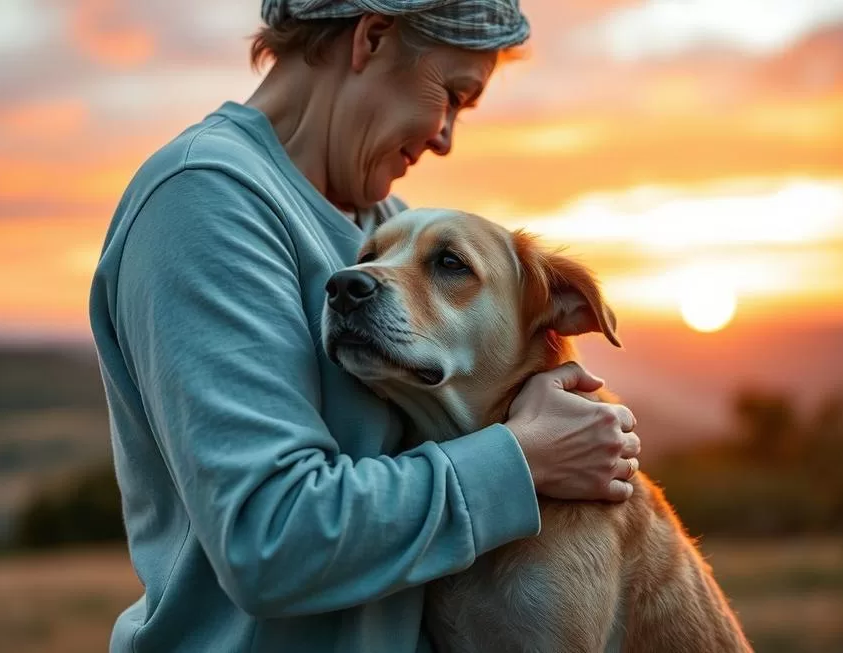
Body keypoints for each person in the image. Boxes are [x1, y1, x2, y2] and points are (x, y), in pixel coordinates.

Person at [88, 2, 641, 652]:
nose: (445, 137)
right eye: (454, 94)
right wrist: (521, 459)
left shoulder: (386, 220)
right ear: (372, 36)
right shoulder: (203, 200)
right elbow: (271, 537)